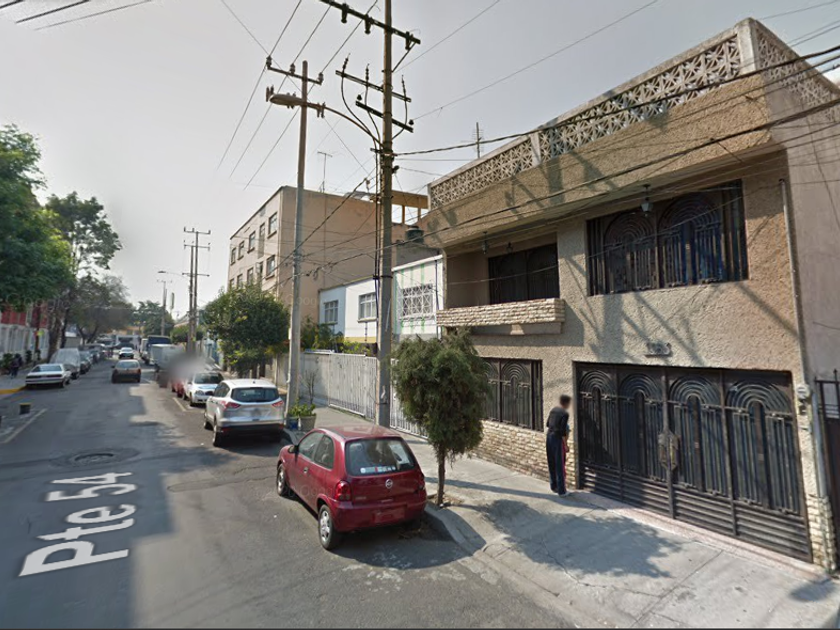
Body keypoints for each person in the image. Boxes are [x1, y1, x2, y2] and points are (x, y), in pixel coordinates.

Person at [546, 394, 572, 495]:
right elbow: (562, 431)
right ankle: (562, 491)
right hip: (557, 439)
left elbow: (547, 424)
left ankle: (553, 486)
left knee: (551, 462)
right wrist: (565, 445)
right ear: (566, 403)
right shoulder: (565, 414)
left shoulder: (553, 410)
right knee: (559, 464)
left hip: (549, 437)